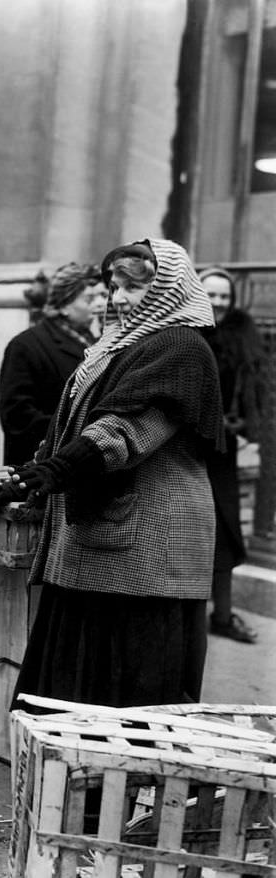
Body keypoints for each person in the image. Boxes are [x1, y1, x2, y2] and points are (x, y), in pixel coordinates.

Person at [0, 238, 225, 709]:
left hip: (146, 547)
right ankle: (76, 779)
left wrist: (57, 470)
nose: (118, 298)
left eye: (134, 287)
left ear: (170, 287)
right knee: (78, 685)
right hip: (105, 542)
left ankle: (123, 783)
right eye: (114, 286)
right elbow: (74, 424)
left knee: (128, 692)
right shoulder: (118, 345)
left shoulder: (181, 346)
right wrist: (28, 476)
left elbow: (131, 429)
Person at [199, 266, 265, 643]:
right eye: (212, 294)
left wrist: (242, 428)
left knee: (226, 534)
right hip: (190, 449)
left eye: (225, 296)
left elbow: (251, 390)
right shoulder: (188, 335)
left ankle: (222, 615)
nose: (219, 303)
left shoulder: (242, 338)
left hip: (224, 449)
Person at [0, 263, 106, 466]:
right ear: (64, 305)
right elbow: (16, 417)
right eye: (89, 299)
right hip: (38, 465)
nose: (100, 304)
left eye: (103, 296)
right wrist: (76, 431)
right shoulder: (26, 345)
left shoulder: (98, 342)